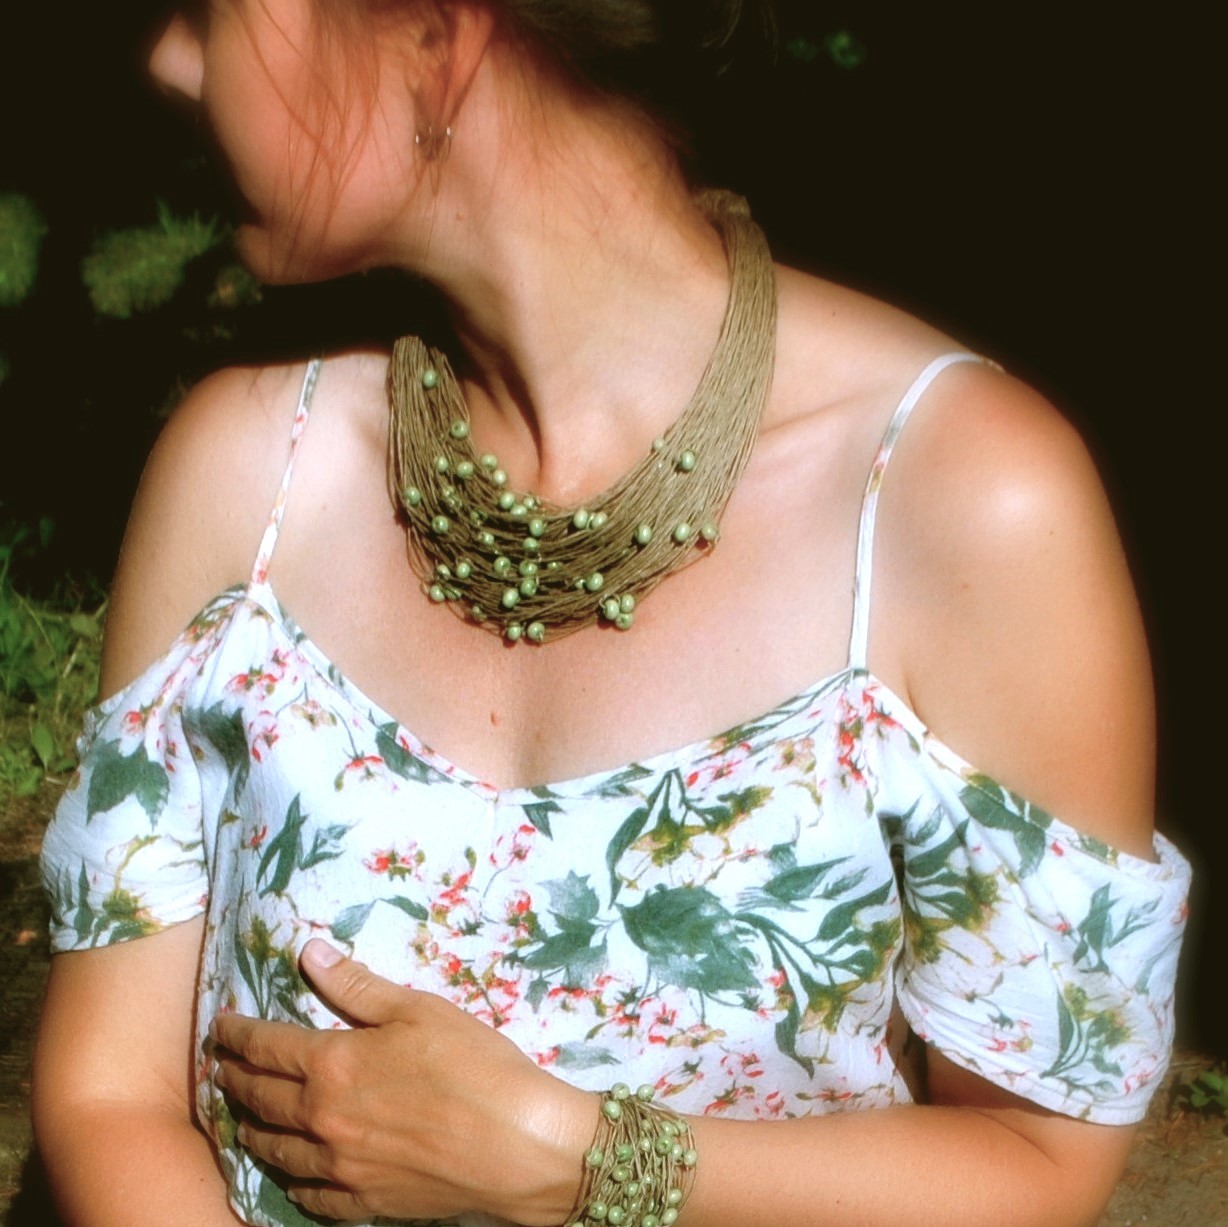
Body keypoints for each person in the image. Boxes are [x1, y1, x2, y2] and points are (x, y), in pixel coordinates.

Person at [34, 2, 1190, 1226]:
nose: (171, 60)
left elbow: (1038, 1157)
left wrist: (577, 1157)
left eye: (212, 7)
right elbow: (110, 1094)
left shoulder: (953, 501)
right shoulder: (254, 474)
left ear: (431, 34)